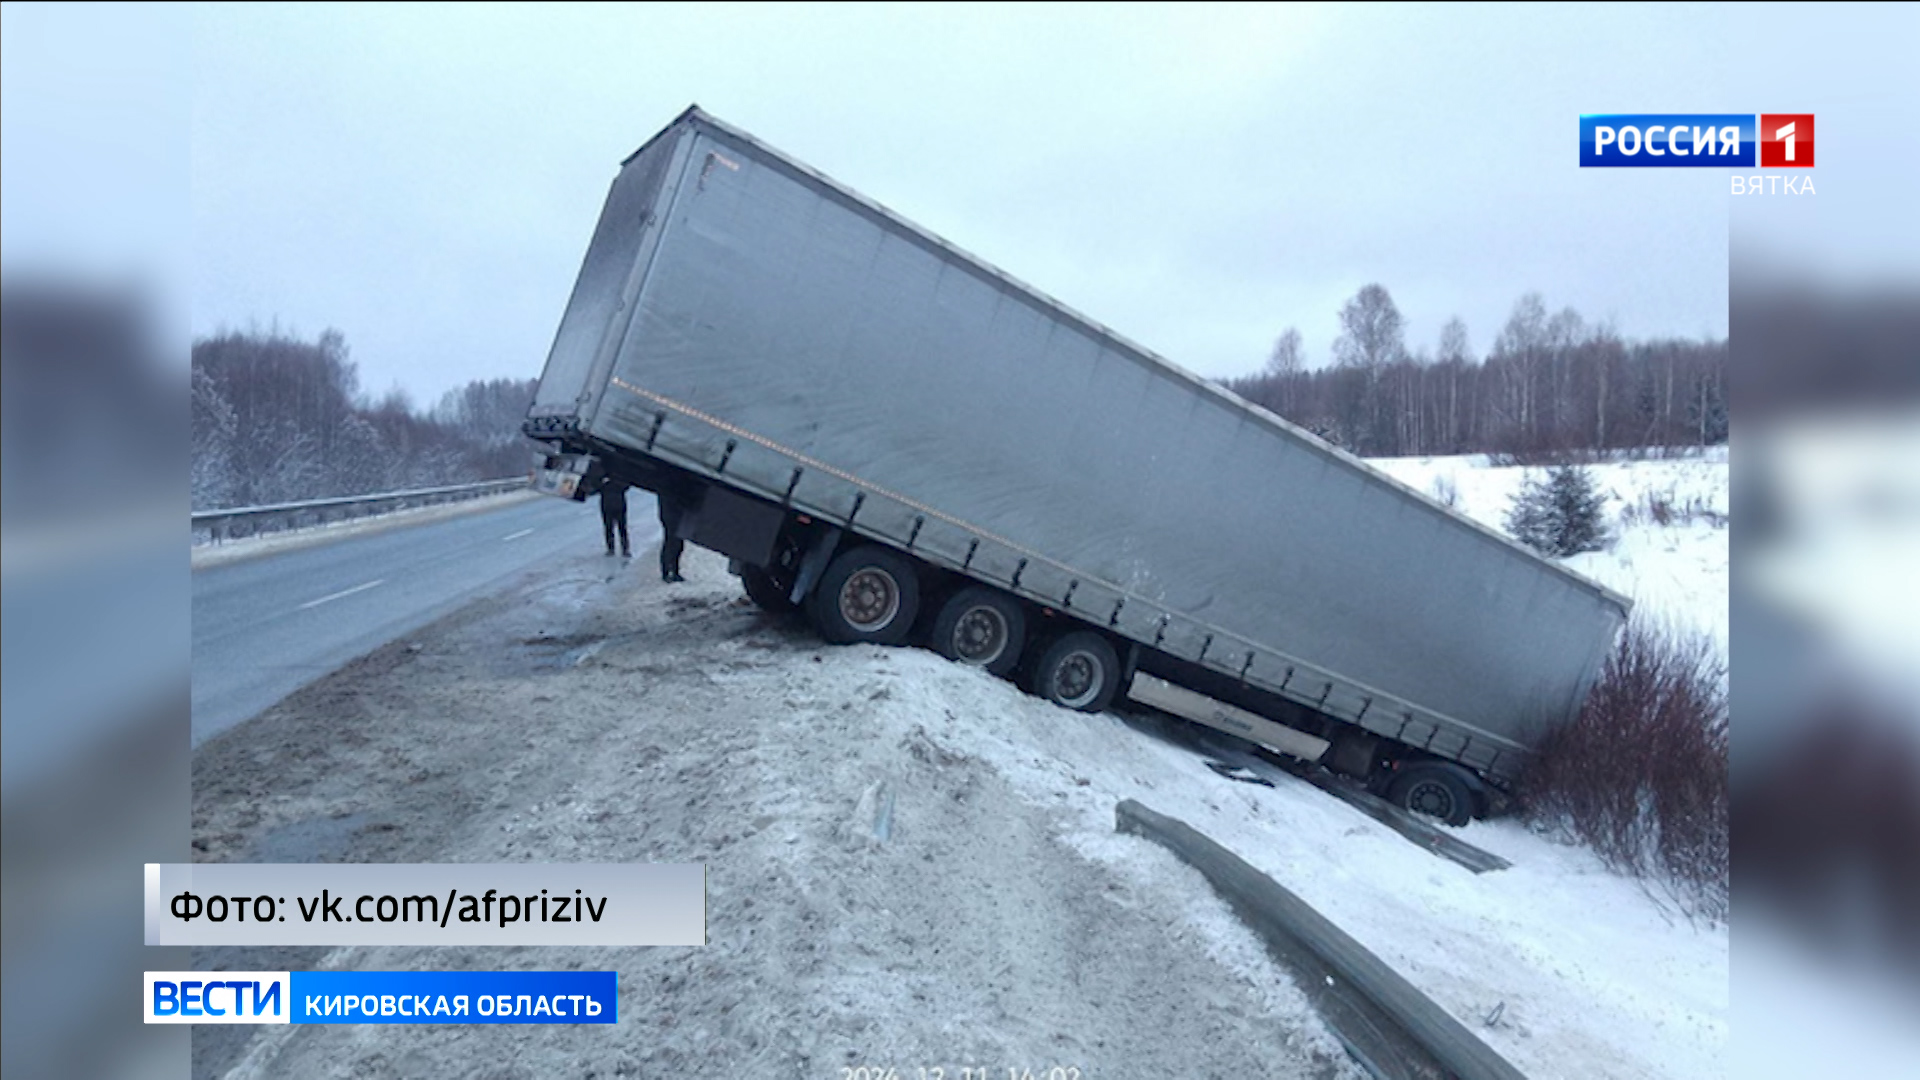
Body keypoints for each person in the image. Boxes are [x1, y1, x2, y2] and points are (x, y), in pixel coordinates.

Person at [656, 486, 686, 582]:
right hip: (671, 517)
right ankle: (669, 571)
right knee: (672, 544)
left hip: (672, 516)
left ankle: (672, 571)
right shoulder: (668, 488)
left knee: (675, 544)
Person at [598, 478, 631, 558]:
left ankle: (624, 549)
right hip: (608, 505)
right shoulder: (602, 477)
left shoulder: (618, 476)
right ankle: (611, 548)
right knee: (609, 528)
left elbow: (627, 485)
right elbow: (594, 487)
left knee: (621, 527)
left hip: (617, 504)